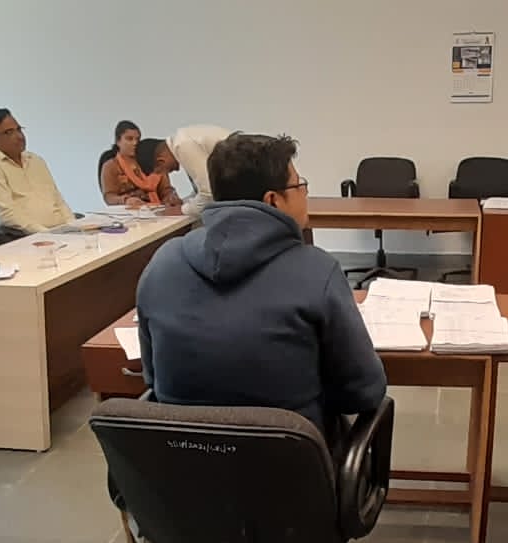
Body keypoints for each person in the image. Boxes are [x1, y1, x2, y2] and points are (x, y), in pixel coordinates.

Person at [136, 132, 385, 437]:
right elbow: (363, 392)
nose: (305, 193)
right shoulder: (318, 272)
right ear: (272, 200)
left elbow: (153, 379)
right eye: (299, 185)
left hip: (182, 461)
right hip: (290, 463)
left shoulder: (163, 263)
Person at [0, 108, 75, 235]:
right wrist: (49, 234)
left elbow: (58, 199)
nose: (19, 136)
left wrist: (73, 226)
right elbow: (6, 215)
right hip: (24, 236)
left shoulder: (35, 160)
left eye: (19, 129)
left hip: (59, 232)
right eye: (9, 132)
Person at [153, 124, 234, 217]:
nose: (174, 171)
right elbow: (204, 190)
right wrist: (186, 202)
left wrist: (181, 210)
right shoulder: (183, 139)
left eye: (160, 171)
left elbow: (208, 194)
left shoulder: (182, 145)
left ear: (161, 161)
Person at [105, 136, 182, 209]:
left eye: (137, 139)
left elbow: (166, 190)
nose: (134, 143)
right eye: (129, 139)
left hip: (157, 210)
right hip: (129, 212)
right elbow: (109, 197)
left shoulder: (156, 164)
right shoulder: (111, 166)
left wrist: (171, 196)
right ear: (118, 142)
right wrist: (125, 200)